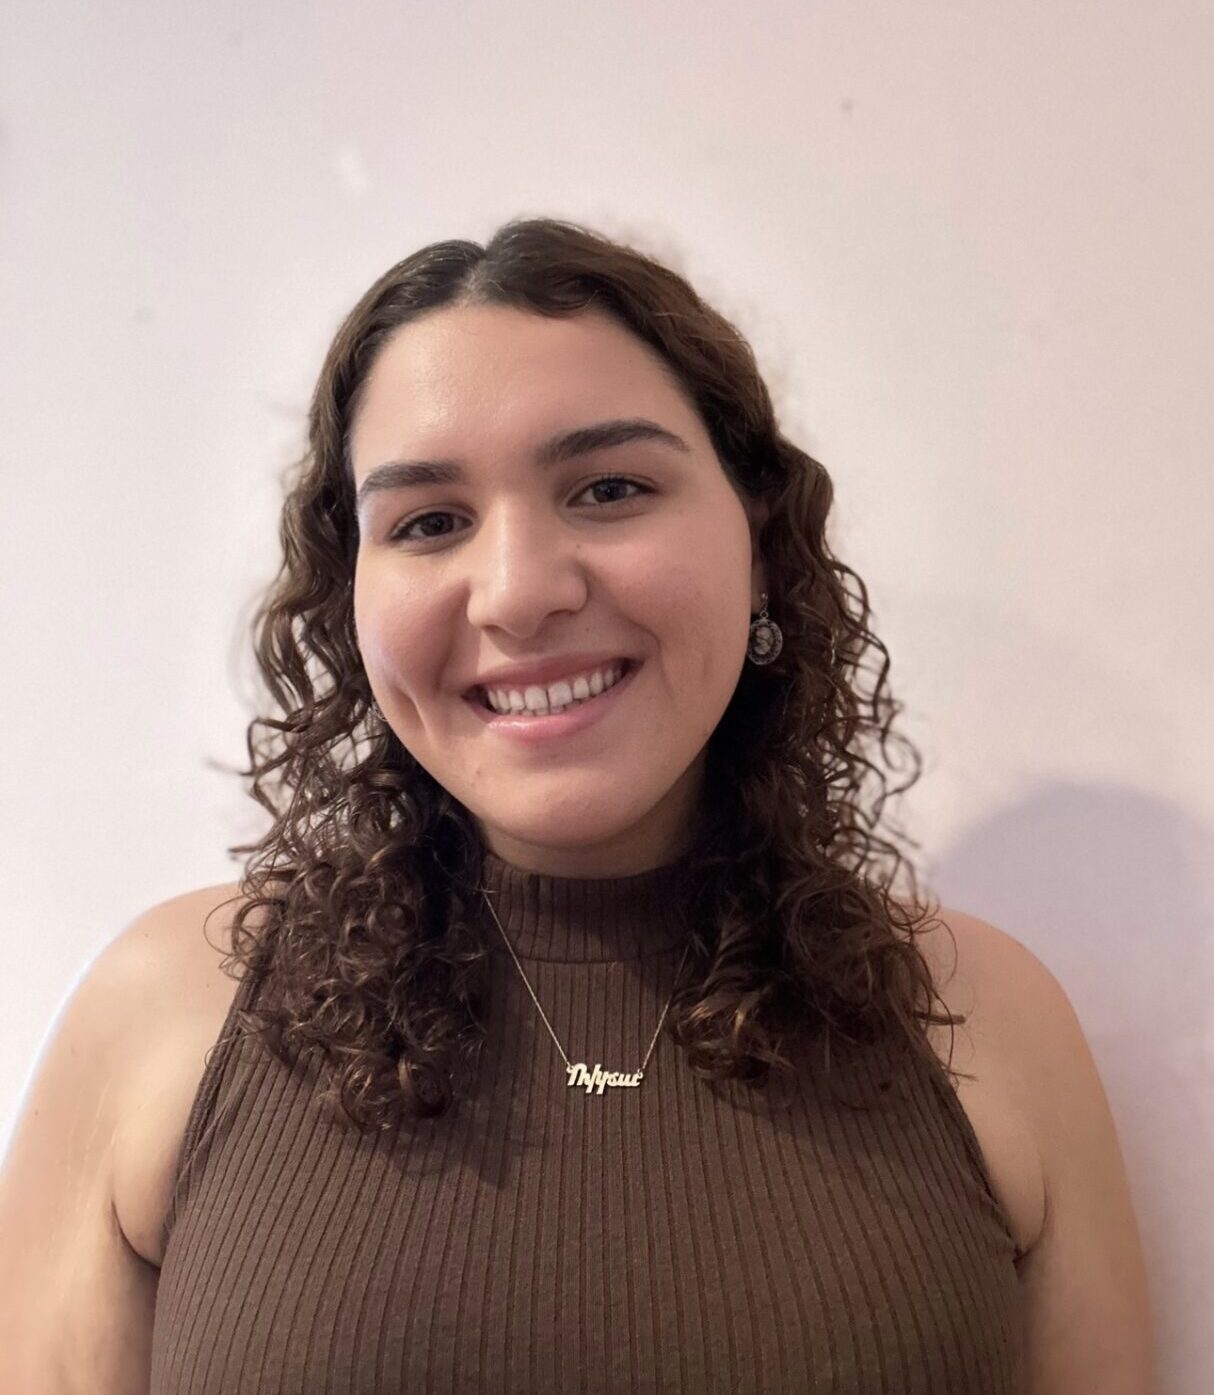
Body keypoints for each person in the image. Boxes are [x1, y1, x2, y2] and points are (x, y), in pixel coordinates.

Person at [0, 218, 1155, 1393]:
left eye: (607, 488)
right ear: (352, 592)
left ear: (757, 538)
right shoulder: (163, 1017)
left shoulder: (983, 1023)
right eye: (429, 522)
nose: (517, 593)